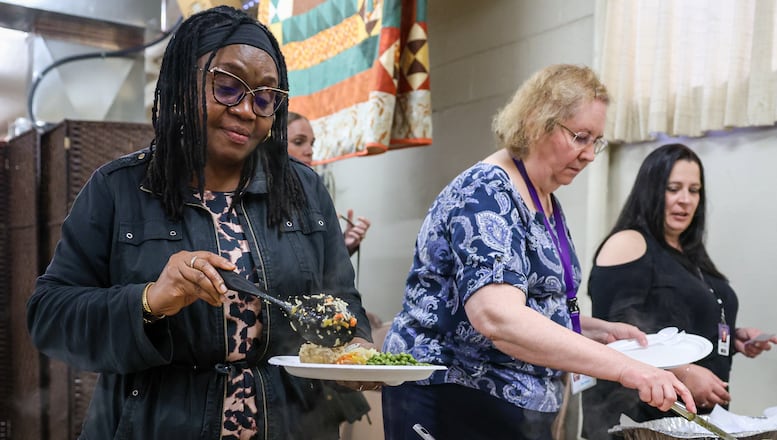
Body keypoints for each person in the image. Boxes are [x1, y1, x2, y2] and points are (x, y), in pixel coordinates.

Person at [26, 6, 376, 439]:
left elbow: (342, 300)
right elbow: (50, 317)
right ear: (181, 85)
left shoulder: (303, 189)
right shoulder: (118, 189)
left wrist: (356, 346)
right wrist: (151, 300)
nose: (248, 109)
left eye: (266, 97)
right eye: (228, 86)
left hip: (292, 425)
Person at [380, 64, 696, 440]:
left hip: (514, 404)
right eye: (580, 137)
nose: (589, 154)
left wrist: (594, 331)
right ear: (535, 123)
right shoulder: (486, 193)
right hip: (453, 395)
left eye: (595, 141)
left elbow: (529, 301)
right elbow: (498, 317)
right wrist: (625, 368)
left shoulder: (544, 199)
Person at [581, 143, 777, 439]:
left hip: (691, 422)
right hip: (640, 421)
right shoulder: (629, 242)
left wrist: (732, 336)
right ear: (651, 190)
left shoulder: (689, 252)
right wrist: (682, 371)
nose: (685, 200)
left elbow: (676, 320)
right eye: (674, 188)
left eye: (694, 190)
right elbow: (617, 338)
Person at [286, 111, 371, 255]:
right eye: (298, 142)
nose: (310, 151)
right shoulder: (257, 195)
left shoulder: (314, 194)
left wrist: (343, 245)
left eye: (311, 143)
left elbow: (317, 266)